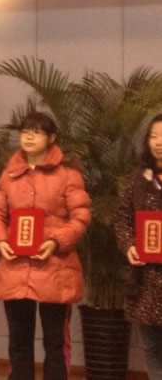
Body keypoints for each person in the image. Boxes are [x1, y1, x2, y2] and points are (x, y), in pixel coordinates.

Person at [0, 111, 90, 380]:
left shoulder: (68, 174)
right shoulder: (9, 175)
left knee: (55, 342)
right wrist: (0, 240)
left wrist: (56, 241)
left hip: (55, 268)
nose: (29, 137)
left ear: (51, 138)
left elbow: (81, 217)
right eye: (25, 132)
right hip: (15, 268)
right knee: (18, 341)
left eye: (37, 132)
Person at [115, 113, 162, 380]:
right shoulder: (138, 178)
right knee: (152, 349)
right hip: (145, 279)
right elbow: (123, 216)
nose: (159, 142)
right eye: (154, 136)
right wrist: (129, 245)